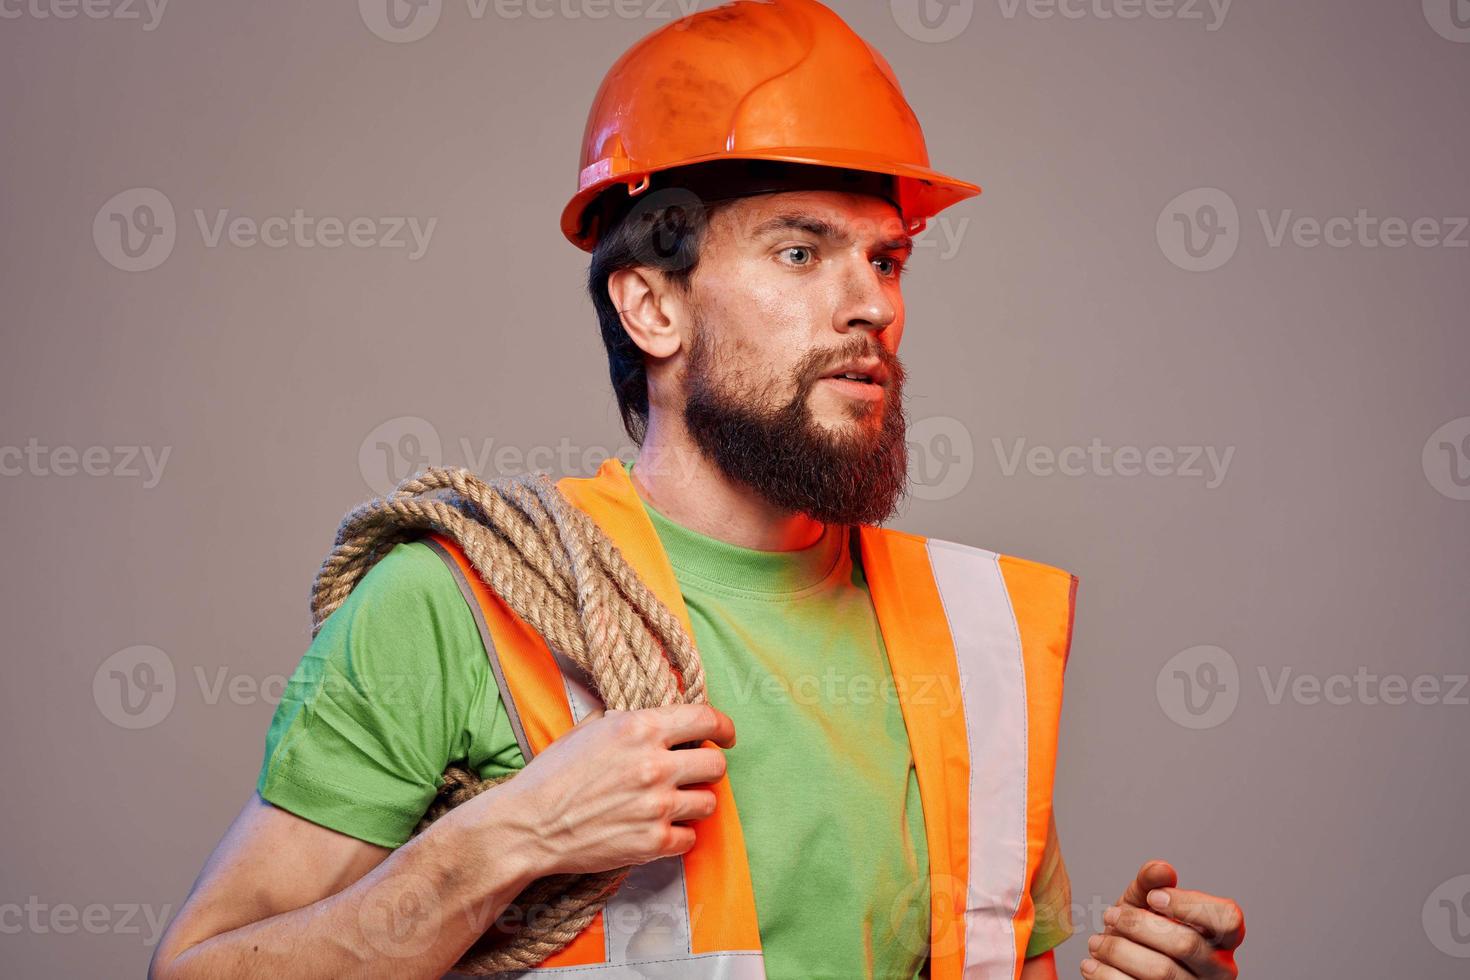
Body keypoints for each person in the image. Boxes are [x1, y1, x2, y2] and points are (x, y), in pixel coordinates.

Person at [150, 2, 1244, 978]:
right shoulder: (456, 605)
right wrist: (512, 835)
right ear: (652, 308)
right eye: (802, 253)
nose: (870, 305)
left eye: (889, 260)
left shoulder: (976, 635)